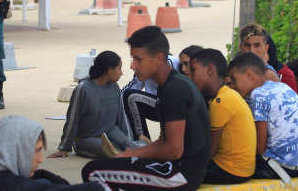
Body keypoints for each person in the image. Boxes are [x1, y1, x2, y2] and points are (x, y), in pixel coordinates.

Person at [82, 26, 211, 191]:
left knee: (94, 172)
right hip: (176, 168)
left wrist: (133, 154)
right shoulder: (168, 85)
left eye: (138, 59)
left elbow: (173, 150)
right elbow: (164, 140)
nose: (132, 66)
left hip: (180, 175)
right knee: (109, 165)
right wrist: (131, 152)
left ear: (158, 58)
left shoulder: (175, 89)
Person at [48, 51, 145, 159]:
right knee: (116, 153)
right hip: (86, 138)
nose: (121, 73)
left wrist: (128, 142)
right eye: (119, 68)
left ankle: (141, 145)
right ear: (109, 70)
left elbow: (121, 117)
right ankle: (140, 145)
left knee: (136, 151)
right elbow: (72, 119)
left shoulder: (115, 87)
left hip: (110, 131)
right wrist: (64, 148)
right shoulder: (83, 88)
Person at [228, 52, 298, 179]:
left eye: (234, 80)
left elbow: (260, 149)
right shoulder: (283, 87)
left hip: (278, 168)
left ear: (249, 74)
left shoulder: (259, 94)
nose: (232, 86)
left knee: (228, 168)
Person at [0, 115, 105, 191]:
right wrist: (97, 187)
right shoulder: (2, 185)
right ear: (17, 151)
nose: (40, 159)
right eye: (36, 151)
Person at [189, 49, 256, 184]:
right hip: (244, 169)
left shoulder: (220, 102)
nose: (189, 76)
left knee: (182, 173)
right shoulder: (228, 94)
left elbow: (208, 154)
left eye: (193, 70)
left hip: (230, 170)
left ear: (209, 69)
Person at [120, 54, 179, 140]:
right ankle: (141, 141)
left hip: (175, 106)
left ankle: (144, 144)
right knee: (125, 99)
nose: (132, 66)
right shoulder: (142, 63)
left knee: (131, 96)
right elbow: (133, 85)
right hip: (154, 105)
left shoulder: (173, 62)